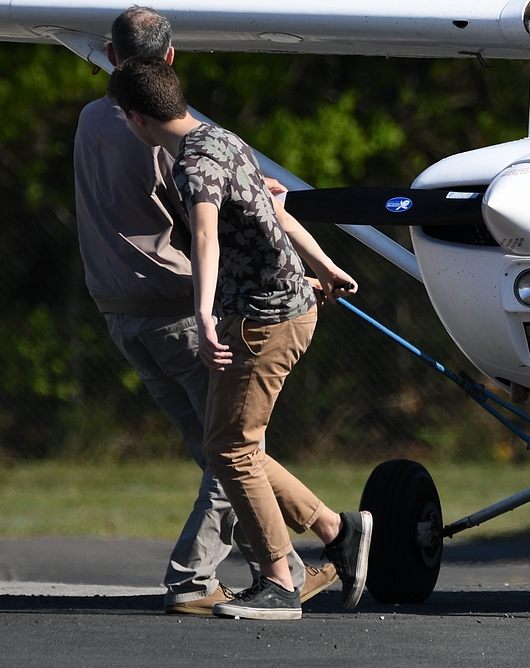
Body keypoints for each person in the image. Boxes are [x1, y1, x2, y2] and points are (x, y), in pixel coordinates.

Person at [73, 7, 336, 615]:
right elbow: (204, 214)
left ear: (112, 59)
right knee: (232, 449)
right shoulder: (173, 140)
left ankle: (326, 537)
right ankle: (213, 578)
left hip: (116, 308)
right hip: (179, 308)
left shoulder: (90, 120)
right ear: (170, 60)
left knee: (219, 446)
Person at [110, 54, 372, 621]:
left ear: (137, 119)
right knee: (232, 443)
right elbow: (273, 210)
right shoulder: (223, 139)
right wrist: (323, 264)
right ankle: (337, 530)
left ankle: (280, 581)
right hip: (284, 309)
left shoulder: (193, 164)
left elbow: (204, 235)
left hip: (263, 320)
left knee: (230, 448)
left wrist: (202, 317)